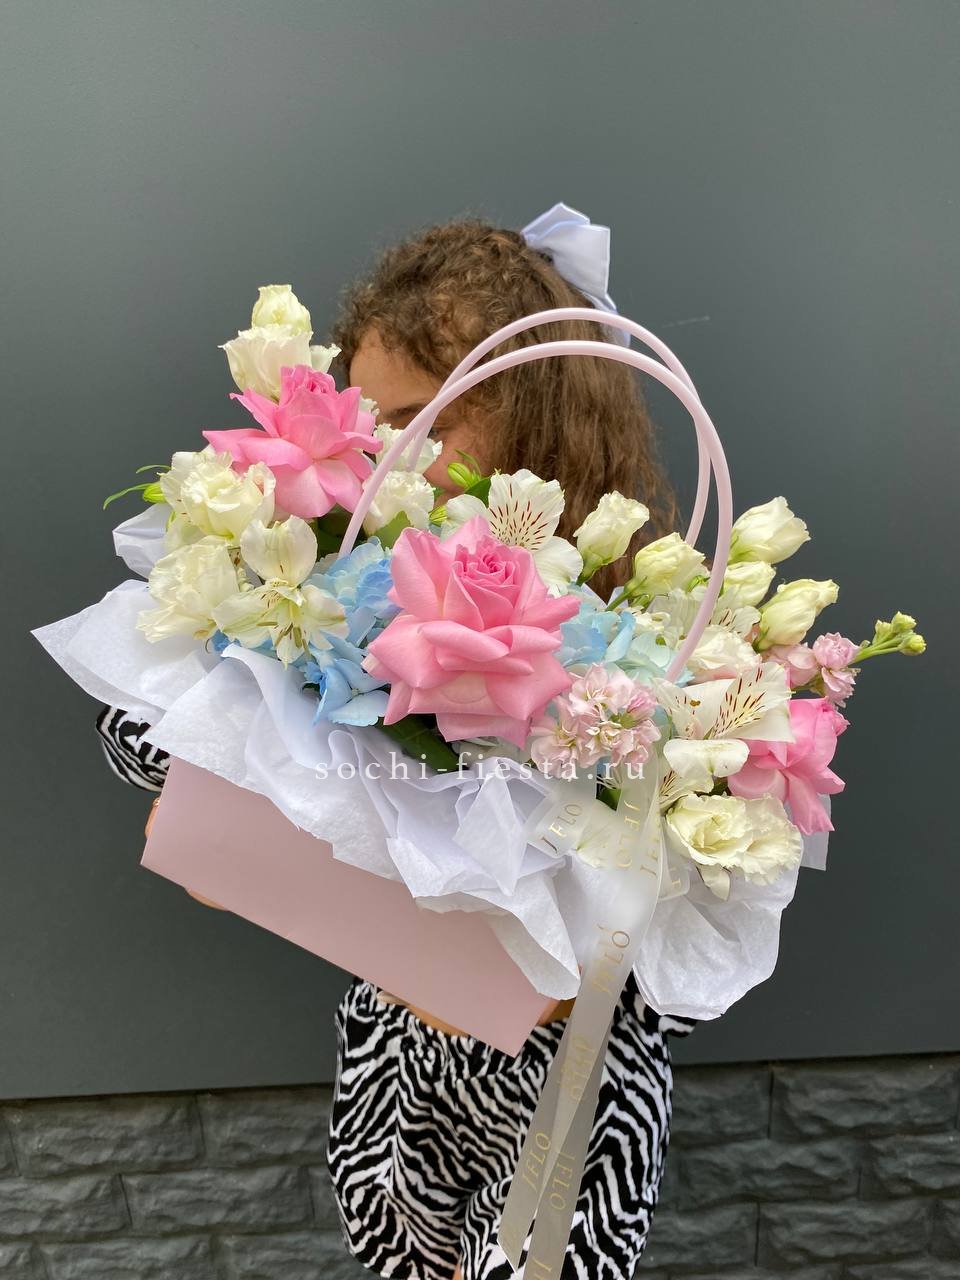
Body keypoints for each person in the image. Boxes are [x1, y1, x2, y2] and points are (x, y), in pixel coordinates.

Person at [101, 206, 698, 1280]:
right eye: (373, 423)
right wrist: (244, 820)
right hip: (394, 1062)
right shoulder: (354, 583)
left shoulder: (653, 632)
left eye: (427, 421)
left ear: (540, 416)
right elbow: (152, 742)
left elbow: (641, 939)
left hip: (566, 1097)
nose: (390, 456)